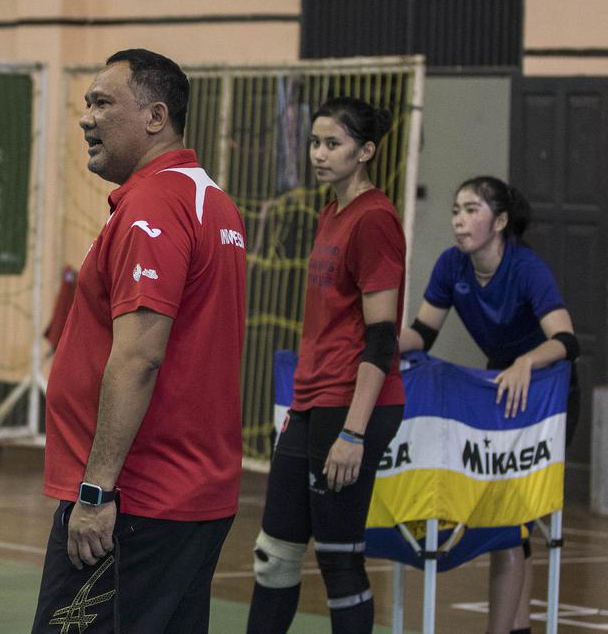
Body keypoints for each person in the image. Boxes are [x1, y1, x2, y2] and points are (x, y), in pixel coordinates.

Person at [32, 49, 247, 633]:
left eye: (103, 103)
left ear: (156, 117)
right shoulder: (213, 203)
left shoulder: (156, 204)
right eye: (87, 104)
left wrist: (96, 492)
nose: (87, 118)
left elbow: (139, 357)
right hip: (188, 497)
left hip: (136, 502)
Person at [246, 97, 405, 634]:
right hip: (312, 400)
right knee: (274, 556)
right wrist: (301, 404)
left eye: (333, 144)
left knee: (339, 561)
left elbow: (381, 338)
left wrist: (354, 433)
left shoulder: (375, 219)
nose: (318, 153)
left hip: (351, 406)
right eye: (315, 142)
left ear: (366, 151)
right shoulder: (330, 213)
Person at [399, 176, 578, 634]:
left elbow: (566, 339)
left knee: (517, 518)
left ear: (499, 222)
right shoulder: (451, 265)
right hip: (500, 390)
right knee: (508, 524)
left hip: (546, 390)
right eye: (455, 210)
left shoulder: (526, 268)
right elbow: (422, 334)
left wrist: (525, 362)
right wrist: (376, 341)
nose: (459, 221)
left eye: (471, 210)